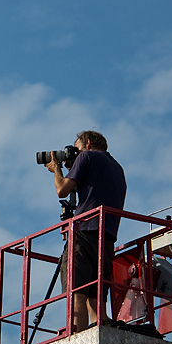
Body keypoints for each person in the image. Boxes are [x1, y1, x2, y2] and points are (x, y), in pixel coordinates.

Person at [46, 130, 126, 331]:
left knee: (76, 291)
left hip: (85, 229)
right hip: (107, 235)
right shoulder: (117, 167)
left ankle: (77, 338)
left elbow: (62, 190)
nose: (76, 153)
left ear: (88, 143)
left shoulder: (87, 157)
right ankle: (99, 327)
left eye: (77, 148)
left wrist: (57, 170)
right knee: (96, 290)